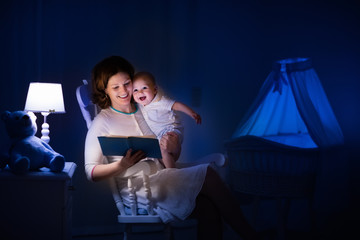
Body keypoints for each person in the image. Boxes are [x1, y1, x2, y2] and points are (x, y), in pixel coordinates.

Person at [84, 56, 261, 240]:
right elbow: (91, 171)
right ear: (105, 90)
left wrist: (173, 146)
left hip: (162, 175)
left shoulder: (144, 108)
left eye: (127, 83)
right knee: (208, 173)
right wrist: (122, 165)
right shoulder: (103, 121)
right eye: (115, 87)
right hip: (139, 188)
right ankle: (251, 236)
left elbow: (167, 156)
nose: (124, 91)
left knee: (208, 207)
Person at [132, 71, 201, 168]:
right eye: (135, 90)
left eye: (144, 88)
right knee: (160, 154)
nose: (140, 92)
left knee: (163, 150)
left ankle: (172, 172)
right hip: (159, 135)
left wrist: (191, 112)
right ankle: (169, 169)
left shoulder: (160, 101)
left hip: (170, 129)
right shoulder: (139, 106)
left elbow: (176, 105)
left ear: (155, 89)